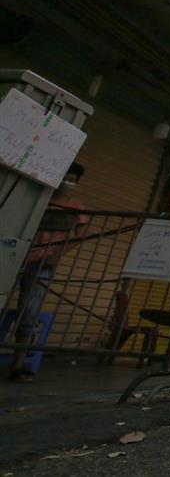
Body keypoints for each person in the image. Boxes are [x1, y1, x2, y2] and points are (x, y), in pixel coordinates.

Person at [9, 163, 87, 382]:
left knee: (29, 311)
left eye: (72, 180)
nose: (68, 183)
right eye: (65, 178)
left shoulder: (75, 206)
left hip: (42, 263)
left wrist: (57, 254)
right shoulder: (39, 197)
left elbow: (81, 234)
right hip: (14, 253)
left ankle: (18, 364)